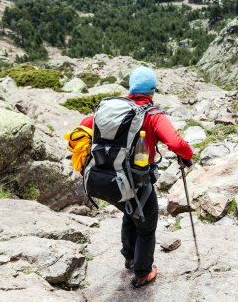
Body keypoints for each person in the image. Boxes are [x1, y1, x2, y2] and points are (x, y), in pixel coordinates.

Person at [79, 66, 193, 287]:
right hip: (137, 179)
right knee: (147, 226)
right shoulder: (152, 115)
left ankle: (130, 258)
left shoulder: (115, 109)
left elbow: (85, 124)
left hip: (110, 177)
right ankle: (142, 272)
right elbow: (176, 143)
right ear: (152, 90)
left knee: (129, 213)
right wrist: (187, 157)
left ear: (131, 88)